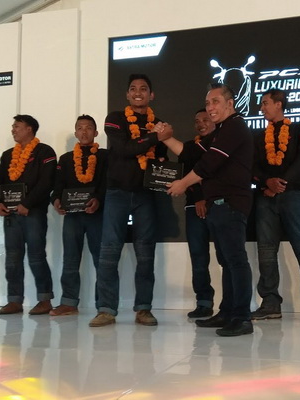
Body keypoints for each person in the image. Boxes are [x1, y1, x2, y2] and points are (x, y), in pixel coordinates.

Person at [166, 83, 254, 337]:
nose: (210, 107)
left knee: (235, 260)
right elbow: (193, 154)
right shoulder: (223, 130)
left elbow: (209, 163)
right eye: (207, 103)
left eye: (215, 102)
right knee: (227, 261)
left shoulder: (235, 126)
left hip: (230, 203)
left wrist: (183, 183)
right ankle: (227, 312)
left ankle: (242, 317)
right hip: (219, 204)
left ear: (230, 103)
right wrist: (166, 137)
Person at [89, 74, 168, 327]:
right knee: (109, 251)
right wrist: (155, 137)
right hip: (117, 193)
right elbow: (124, 149)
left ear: (151, 95)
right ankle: (106, 309)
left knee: (145, 253)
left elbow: (161, 156)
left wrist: (163, 162)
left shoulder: (158, 123)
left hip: (146, 194)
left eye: (143, 89)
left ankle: (144, 309)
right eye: (133, 88)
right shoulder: (115, 118)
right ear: (127, 94)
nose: (138, 93)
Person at [251, 89, 300, 323]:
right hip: (265, 197)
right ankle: (270, 304)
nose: (261, 108)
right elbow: (252, 166)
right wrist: (267, 182)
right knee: (266, 251)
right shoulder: (258, 136)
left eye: (265, 103)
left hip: (293, 196)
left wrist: (280, 184)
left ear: (279, 104)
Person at [0, 114, 57, 315]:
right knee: (12, 258)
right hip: (11, 214)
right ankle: (14, 300)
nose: (13, 130)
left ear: (29, 129)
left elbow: (47, 182)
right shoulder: (8, 155)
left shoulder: (45, 151)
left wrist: (27, 204)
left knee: (36, 256)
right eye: (13, 126)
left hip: (33, 212)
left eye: (17, 126)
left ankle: (45, 300)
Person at [49, 115, 108, 316]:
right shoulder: (66, 159)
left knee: (102, 260)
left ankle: (104, 305)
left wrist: (98, 199)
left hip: (97, 214)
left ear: (96, 132)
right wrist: (56, 200)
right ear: (75, 133)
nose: (84, 131)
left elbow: (108, 183)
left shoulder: (105, 156)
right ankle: (68, 302)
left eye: (89, 128)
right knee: (70, 259)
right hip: (72, 216)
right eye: (80, 128)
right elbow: (58, 186)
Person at [161, 109, 217, 319]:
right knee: (198, 257)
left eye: (205, 119)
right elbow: (185, 176)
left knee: (226, 255)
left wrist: (205, 198)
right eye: (197, 121)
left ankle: (231, 302)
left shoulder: (222, 144)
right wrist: (199, 197)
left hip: (219, 205)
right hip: (194, 207)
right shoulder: (189, 147)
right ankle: (204, 302)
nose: (201, 124)